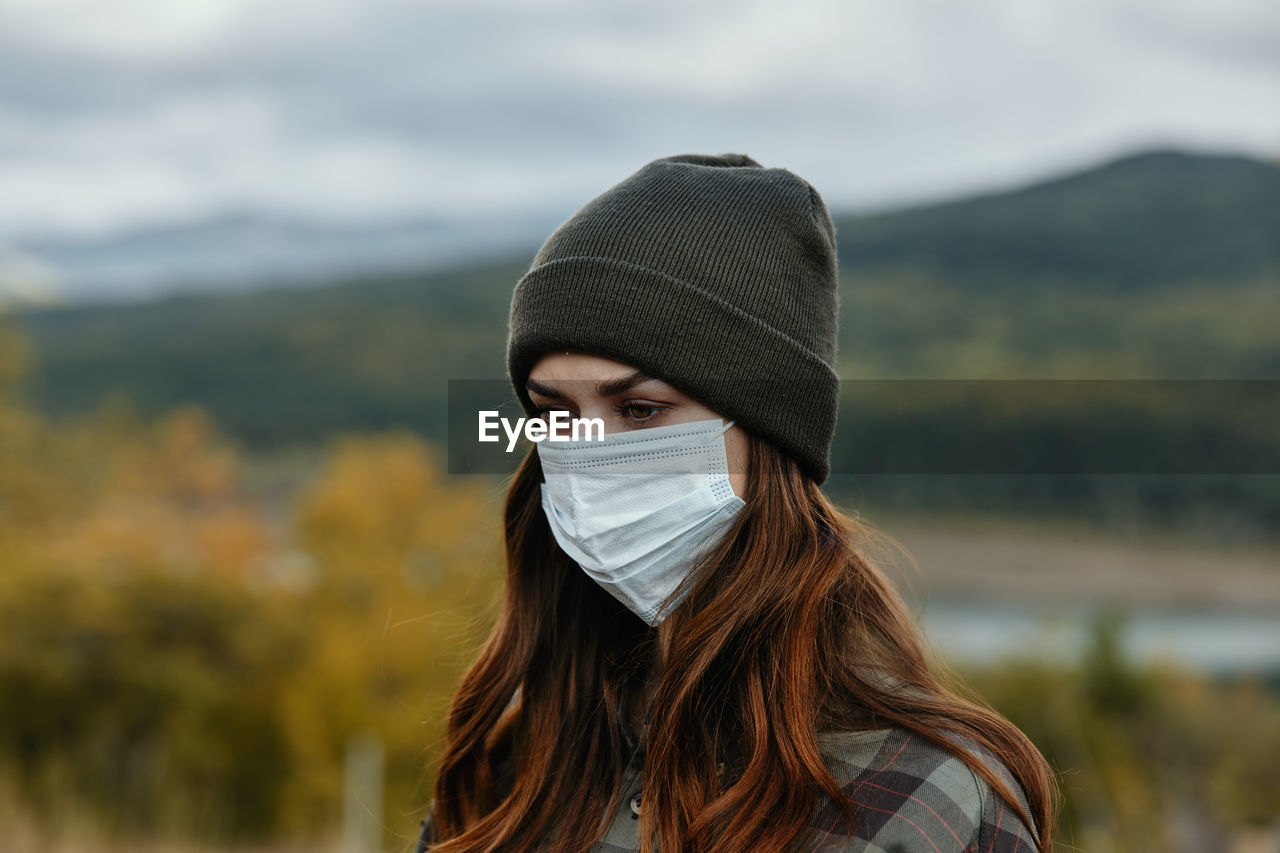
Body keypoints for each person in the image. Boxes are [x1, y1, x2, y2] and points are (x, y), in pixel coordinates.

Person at [418, 153, 1058, 852]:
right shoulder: (509, 781)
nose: (590, 455)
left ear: (767, 434)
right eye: (557, 414)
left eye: (639, 408)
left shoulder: (924, 806)